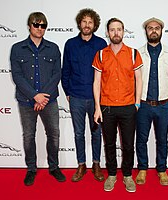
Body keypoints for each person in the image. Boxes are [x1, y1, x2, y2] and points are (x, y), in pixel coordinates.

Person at [10, 12, 65, 186]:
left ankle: (54, 167)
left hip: (49, 101)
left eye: (43, 26)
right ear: (29, 26)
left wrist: (43, 97)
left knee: (54, 134)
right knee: (28, 136)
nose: (39, 28)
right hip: (27, 101)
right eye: (36, 24)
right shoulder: (17, 48)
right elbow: (17, 76)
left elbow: (57, 74)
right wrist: (35, 96)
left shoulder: (53, 48)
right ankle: (31, 169)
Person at [92, 18, 143, 192]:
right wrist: (97, 108)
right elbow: (96, 82)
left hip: (128, 107)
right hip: (107, 107)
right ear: (107, 33)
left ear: (123, 31)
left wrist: (136, 103)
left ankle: (128, 175)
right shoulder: (100, 54)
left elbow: (139, 79)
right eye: (112, 30)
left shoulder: (133, 53)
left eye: (119, 29)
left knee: (128, 144)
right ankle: (112, 174)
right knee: (109, 144)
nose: (116, 33)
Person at [61, 8, 107, 182]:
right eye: (84, 21)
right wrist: (67, 92)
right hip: (76, 97)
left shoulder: (101, 44)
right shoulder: (70, 44)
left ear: (94, 25)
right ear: (80, 23)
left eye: (90, 22)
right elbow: (65, 70)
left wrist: (102, 97)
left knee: (96, 133)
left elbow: (105, 72)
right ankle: (81, 165)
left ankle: (96, 164)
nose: (87, 25)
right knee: (79, 133)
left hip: (97, 99)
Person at [135, 17, 168, 186]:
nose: (153, 30)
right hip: (143, 105)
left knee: (162, 139)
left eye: (157, 28)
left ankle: (162, 170)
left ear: (161, 31)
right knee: (141, 139)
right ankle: (143, 169)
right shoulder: (138, 53)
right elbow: (134, 78)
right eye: (150, 28)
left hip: (164, 105)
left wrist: (165, 92)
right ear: (146, 31)